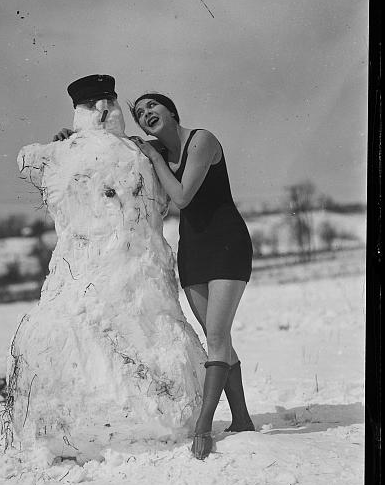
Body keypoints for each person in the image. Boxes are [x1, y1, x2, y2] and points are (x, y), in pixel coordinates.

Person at [54, 90, 255, 460]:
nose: (146, 113)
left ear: (171, 110)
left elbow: (181, 197)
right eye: (140, 111)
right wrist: (73, 141)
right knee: (218, 337)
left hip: (227, 243)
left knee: (216, 335)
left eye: (152, 106)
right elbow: (111, 148)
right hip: (194, 251)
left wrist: (151, 155)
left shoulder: (202, 140)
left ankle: (203, 427)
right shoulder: (154, 151)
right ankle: (242, 419)